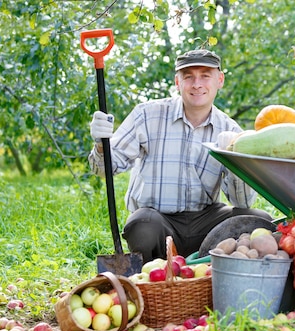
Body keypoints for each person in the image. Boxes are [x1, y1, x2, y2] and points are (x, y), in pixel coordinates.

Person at [88, 49, 271, 263]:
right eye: (188, 76)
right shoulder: (147, 115)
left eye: (205, 75)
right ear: (177, 82)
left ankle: (211, 267)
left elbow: (242, 201)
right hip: (158, 222)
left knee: (259, 221)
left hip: (206, 222)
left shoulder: (229, 130)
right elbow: (105, 169)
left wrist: (236, 161)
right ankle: (151, 276)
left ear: (219, 80)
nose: (197, 84)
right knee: (142, 223)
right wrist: (101, 144)